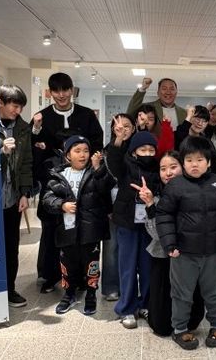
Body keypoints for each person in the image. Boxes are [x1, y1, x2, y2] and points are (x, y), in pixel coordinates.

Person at [155, 136, 216, 350]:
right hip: (183, 252)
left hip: (214, 251)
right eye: (189, 160)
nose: (195, 164)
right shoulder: (175, 186)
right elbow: (164, 216)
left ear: (209, 162)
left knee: (214, 291)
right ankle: (180, 329)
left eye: (200, 160)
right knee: (181, 293)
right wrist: (170, 244)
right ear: (183, 162)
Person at [31, 72, 104, 294]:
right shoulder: (41, 117)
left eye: (65, 90)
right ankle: (48, 274)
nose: (61, 95)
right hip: (53, 180)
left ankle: (79, 275)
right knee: (51, 227)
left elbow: (97, 143)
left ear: (72, 90)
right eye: (56, 91)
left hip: (82, 180)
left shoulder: (86, 115)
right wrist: (36, 131)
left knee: (79, 228)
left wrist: (87, 163)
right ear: (50, 92)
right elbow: (33, 147)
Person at [131, 151, 204, 336]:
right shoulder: (155, 197)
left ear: (183, 167)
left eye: (173, 167)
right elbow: (156, 234)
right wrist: (150, 204)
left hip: (190, 256)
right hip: (162, 257)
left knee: (192, 310)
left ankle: (187, 321)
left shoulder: (197, 193)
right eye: (163, 169)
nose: (168, 173)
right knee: (161, 325)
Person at [42, 136, 113, 315]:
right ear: (67, 155)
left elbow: (105, 190)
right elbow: (47, 199)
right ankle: (69, 294)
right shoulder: (58, 174)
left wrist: (98, 168)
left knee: (91, 264)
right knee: (68, 263)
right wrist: (62, 205)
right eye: (77, 151)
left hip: (90, 229)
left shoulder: (95, 171)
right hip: (67, 230)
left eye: (86, 151)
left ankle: (91, 294)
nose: (83, 155)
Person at [107, 124, 162, 329]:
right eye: (142, 149)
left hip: (149, 225)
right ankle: (127, 308)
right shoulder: (125, 164)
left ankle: (146, 304)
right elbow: (113, 161)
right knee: (128, 267)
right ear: (133, 151)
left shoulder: (158, 168)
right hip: (127, 224)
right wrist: (118, 140)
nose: (147, 154)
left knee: (148, 266)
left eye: (151, 150)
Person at [0, 84, 33, 308]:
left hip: (12, 197)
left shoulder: (22, 128)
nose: (18, 111)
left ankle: (9, 290)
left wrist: (25, 193)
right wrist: (2, 152)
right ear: (0, 102)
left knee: (11, 245)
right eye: (14, 106)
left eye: (20, 107)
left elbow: (27, 162)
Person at [100, 113, 136, 302]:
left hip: (133, 204)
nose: (123, 129)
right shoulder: (109, 150)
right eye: (118, 127)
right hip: (112, 204)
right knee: (111, 247)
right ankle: (111, 287)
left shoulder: (138, 147)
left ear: (134, 128)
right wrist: (107, 207)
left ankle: (130, 286)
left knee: (131, 248)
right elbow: (104, 179)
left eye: (127, 126)